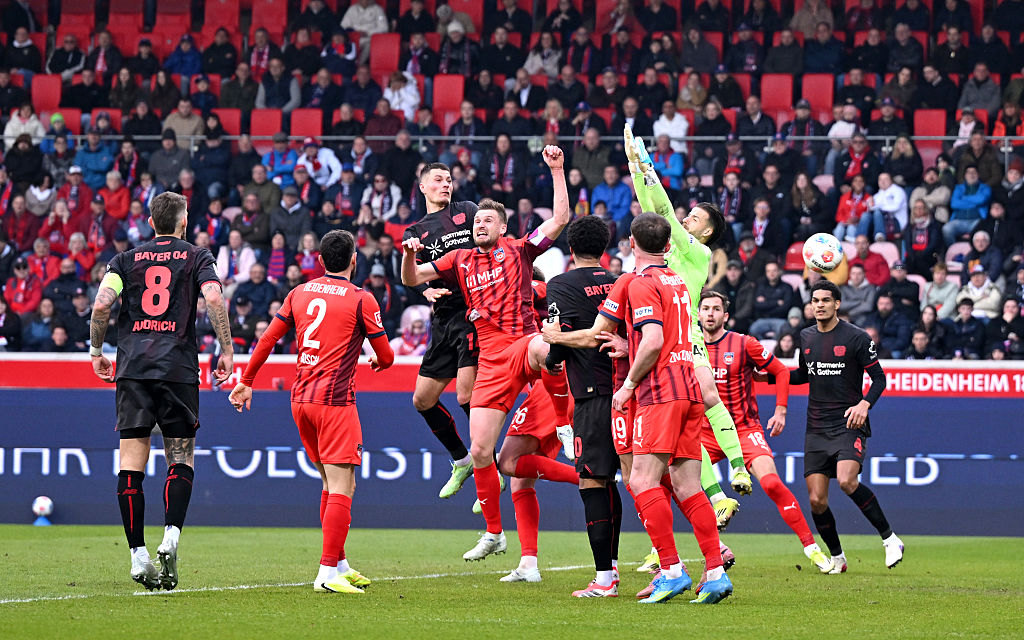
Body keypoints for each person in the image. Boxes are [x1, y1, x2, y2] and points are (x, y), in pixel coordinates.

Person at [401, 147, 573, 563]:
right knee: (482, 452)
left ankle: (567, 426)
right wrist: (409, 256)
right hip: (491, 359)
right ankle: (494, 534)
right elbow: (414, 277)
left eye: (488, 220)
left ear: (503, 227)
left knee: (546, 346)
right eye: (477, 221)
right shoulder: (457, 259)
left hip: (520, 342)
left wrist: (556, 170)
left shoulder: (519, 250)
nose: (480, 224)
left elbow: (561, 219)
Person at [230, 229, 393, 593]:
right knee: (343, 486)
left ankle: (340, 562)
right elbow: (386, 357)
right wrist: (375, 360)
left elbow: (269, 338)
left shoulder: (298, 293)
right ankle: (325, 574)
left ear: (320, 261)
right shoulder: (361, 299)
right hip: (335, 401)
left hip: (300, 398)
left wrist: (247, 380)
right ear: (354, 260)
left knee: (330, 482)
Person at [88, 192, 234, 591]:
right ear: (183, 221)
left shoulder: (124, 260)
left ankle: (137, 556)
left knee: (131, 464)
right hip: (177, 368)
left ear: (151, 222)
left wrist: (97, 351)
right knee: (180, 457)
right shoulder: (197, 257)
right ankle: (170, 537)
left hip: (133, 369)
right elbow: (214, 298)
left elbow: (102, 307)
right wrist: (227, 350)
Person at [699, 291, 834, 573]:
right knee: (678, 485)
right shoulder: (690, 345)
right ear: (698, 314)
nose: (710, 313)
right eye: (705, 309)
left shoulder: (743, 343)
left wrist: (781, 409)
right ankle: (678, 554)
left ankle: (812, 548)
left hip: (745, 429)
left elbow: (781, 371)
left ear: (725, 316)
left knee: (772, 484)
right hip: (705, 433)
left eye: (715, 309)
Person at [782, 280, 902, 572]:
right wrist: (771, 376)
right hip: (816, 427)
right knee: (816, 500)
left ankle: (890, 539)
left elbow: (880, 379)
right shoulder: (806, 336)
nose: (819, 305)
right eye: (815, 300)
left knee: (848, 481)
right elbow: (802, 375)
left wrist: (864, 404)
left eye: (825, 300)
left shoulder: (857, 338)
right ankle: (837, 557)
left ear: (837, 303)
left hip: (848, 422)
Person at [542, 215, 623, 596]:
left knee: (592, 479)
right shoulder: (621, 281)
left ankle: (604, 578)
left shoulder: (561, 283)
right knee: (629, 479)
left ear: (570, 250)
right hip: (629, 388)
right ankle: (619, 567)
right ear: (604, 249)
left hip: (593, 393)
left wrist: (552, 354)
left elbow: (556, 335)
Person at [394, 164, 481, 496]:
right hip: (443, 319)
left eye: (449, 180)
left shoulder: (468, 212)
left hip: (472, 313)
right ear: (422, 188)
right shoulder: (415, 231)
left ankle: (488, 467)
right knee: (423, 399)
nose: (446, 185)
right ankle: (462, 460)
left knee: (465, 394)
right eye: (438, 180)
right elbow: (410, 273)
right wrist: (422, 290)